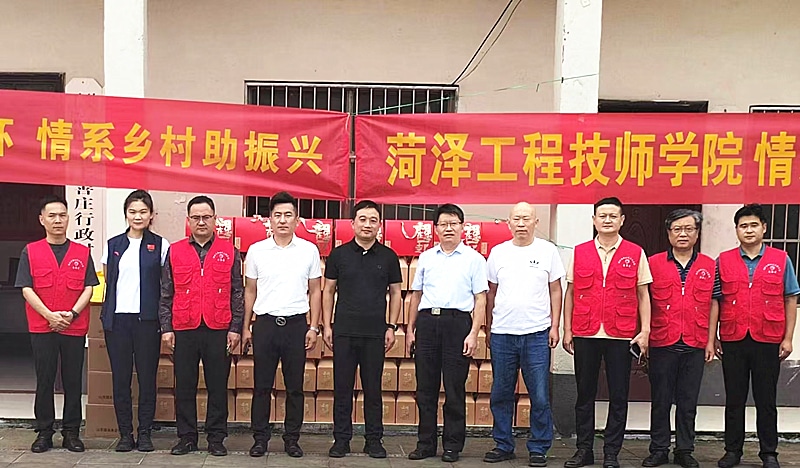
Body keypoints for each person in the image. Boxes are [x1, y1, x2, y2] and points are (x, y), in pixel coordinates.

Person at [562, 197, 652, 468]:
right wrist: (567, 329)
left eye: (613, 216)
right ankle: (584, 450)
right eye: (602, 216)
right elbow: (571, 293)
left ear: (622, 220)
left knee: (618, 396)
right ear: (594, 220)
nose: (607, 220)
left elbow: (643, 294)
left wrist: (645, 330)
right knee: (584, 395)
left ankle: (612, 452)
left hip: (620, 335)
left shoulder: (635, 252)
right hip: (586, 332)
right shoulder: (580, 251)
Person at [709, 204, 798, 468]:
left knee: (766, 400)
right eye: (743, 226)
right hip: (733, 338)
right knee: (734, 399)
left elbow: (790, 298)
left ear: (764, 228)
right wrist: (713, 337)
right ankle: (732, 451)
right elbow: (716, 301)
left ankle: (769, 452)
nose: (748, 230)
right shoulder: (723, 260)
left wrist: (788, 337)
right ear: (736, 230)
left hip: (768, 339)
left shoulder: (781, 259)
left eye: (753, 225)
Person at [159, 195, 244, 457]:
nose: (201, 222)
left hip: (218, 327)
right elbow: (166, 292)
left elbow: (237, 292)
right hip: (184, 326)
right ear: (188, 220)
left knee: (218, 386)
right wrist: (166, 327)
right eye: (196, 217)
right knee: (184, 386)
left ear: (215, 219)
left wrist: (235, 328)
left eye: (206, 217)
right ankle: (186, 437)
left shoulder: (230, 251)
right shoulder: (175, 251)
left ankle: (216, 438)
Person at [483, 202, 565, 467]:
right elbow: (491, 293)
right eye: (516, 218)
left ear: (535, 222)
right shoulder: (498, 253)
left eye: (526, 218)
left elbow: (555, 290)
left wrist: (555, 326)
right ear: (508, 223)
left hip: (537, 334)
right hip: (503, 334)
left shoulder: (547, 251)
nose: (521, 223)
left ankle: (539, 447)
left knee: (539, 395)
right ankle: (503, 444)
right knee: (501, 393)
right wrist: (489, 327)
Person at [405, 203, 488, 463]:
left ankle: (452, 445)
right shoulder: (427, 257)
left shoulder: (474, 259)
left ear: (463, 227)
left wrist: (474, 333)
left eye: (453, 223)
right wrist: (410, 329)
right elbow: (416, 295)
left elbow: (481, 299)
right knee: (425, 388)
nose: (448, 228)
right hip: (428, 323)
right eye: (443, 224)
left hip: (457, 324)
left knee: (454, 388)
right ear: (436, 228)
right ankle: (425, 443)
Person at [16, 195, 99, 453]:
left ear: (68, 218)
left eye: (62, 215)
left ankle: (71, 433)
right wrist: (49, 316)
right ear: (42, 220)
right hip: (42, 327)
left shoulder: (82, 252)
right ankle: (44, 432)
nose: (57, 220)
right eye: (51, 215)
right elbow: (26, 288)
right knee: (45, 379)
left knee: (73, 381)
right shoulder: (31, 251)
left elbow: (89, 287)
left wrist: (72, 314)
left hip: (74, 326)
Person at [242, 191, 322, 458]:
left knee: (295, 387)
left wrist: (313, 327)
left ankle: (292, 439)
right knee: (262, 386)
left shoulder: (309, 250)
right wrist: (246, 326)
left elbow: (315, 291)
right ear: (270, 220)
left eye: (288, 215)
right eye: (277, 215)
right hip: (265, 325)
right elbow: (250, 291)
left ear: (297, 220)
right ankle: (260, 439)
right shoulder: (257, 251)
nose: (283, 220)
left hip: (296, 326)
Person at [323, 200, 403, 459]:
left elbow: (396, 293)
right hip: (344, 332)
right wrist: (327, 325)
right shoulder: (339, 254)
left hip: (375, 333)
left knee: (373, 390)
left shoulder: (388, 256)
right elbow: (328, 291)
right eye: (363, 219)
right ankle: (341, 440)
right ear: (353, 223)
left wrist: (392, 326)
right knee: (342, 389)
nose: (367, 225)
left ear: (380, 225)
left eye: (373, 220)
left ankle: (374, 440)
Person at [643, 209, 714, 468]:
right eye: (677, 229)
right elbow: (642, 301)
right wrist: (644, 335)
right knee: (660, 400)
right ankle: (659, 449)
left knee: (688, 402)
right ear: (668, 233)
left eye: (689, 229)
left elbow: (714, 303)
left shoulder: (709, 265)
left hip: (695, 342)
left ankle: (684, 449)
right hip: (662, 341)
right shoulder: (653, 263)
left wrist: (710, 340)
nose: (683, 234)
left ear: (697, 233)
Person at [101, 190, 169, 452]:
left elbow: (166, 285)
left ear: (151, 215)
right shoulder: (113, 244)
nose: (138, 216)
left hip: (147, 321)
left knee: (147, 379)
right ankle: (125, 434)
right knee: (121, 379)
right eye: (132, 211)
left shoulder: (161, 245)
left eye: (143, 211)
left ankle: (145, 433)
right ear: (126, 214)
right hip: (118, 322)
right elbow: (109, 281)